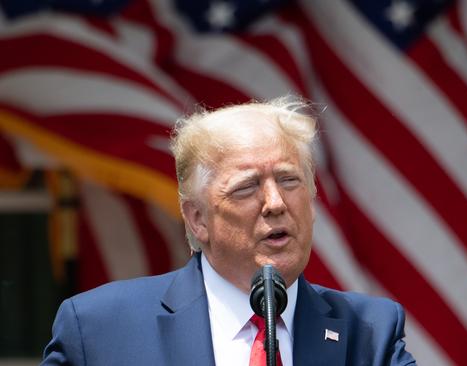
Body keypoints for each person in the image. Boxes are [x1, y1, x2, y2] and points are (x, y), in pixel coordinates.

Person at [41, 96, 417, 365]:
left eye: (289, 180)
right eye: (247, 187)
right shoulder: (99, 329)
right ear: (197, 219)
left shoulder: (371, 334)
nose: (275, 203)